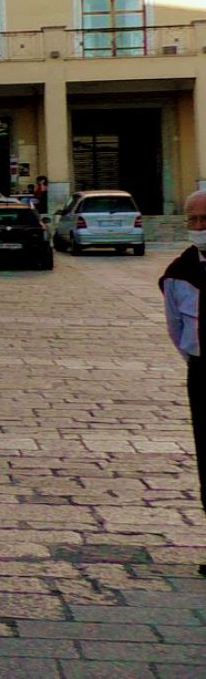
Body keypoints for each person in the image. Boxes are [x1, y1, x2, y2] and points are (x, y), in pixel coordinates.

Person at [161, 190, 206, 576]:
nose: (198, 227)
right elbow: (175, 327)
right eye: (192, 220)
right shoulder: (179, 272)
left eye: (204, 220)